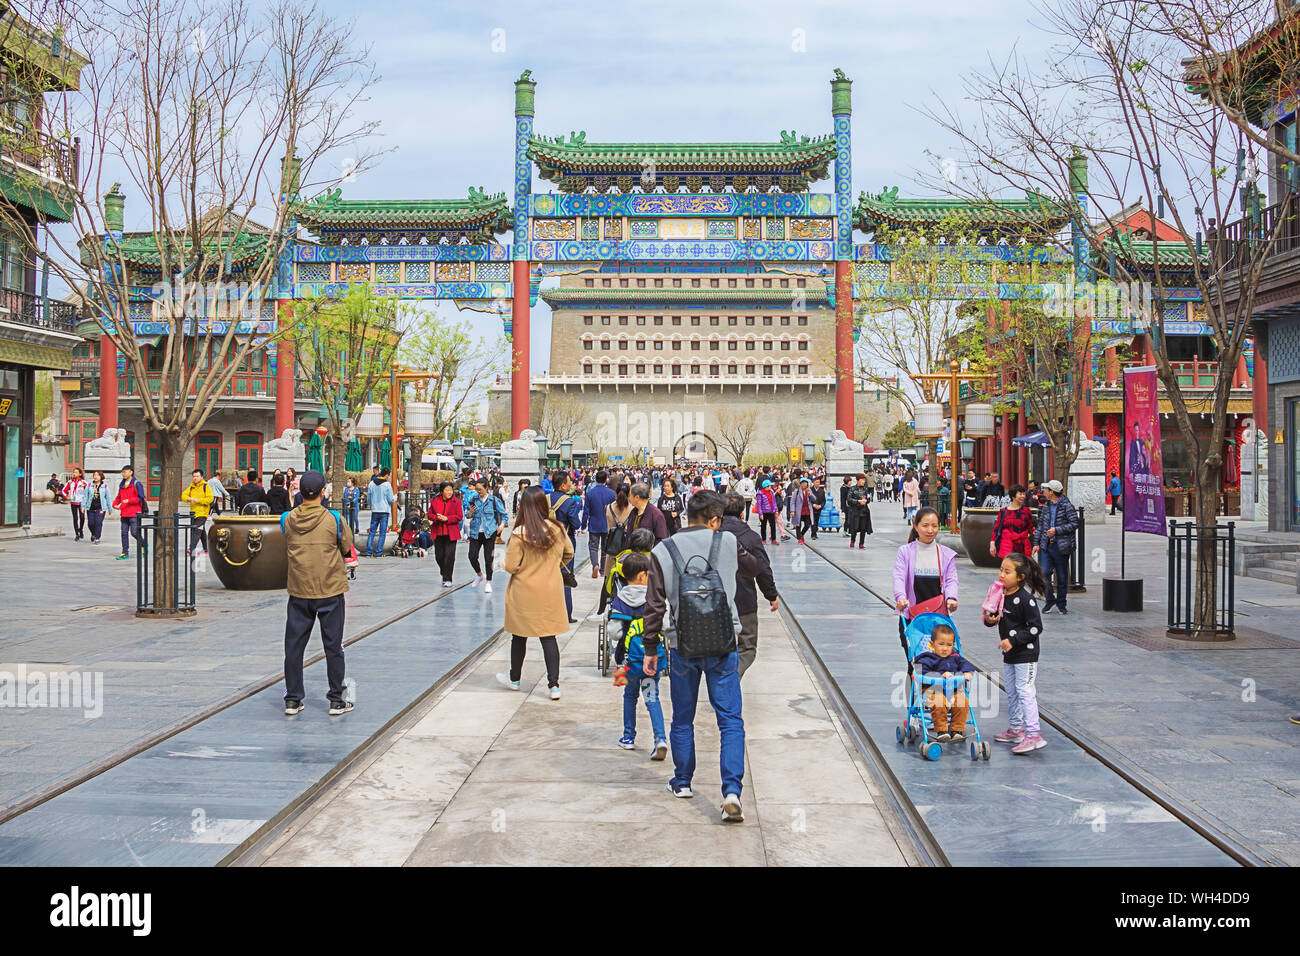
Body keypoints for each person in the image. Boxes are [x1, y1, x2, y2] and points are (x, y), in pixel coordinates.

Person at [644, 490, 754, 821]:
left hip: (682, 645)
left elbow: (654, 604)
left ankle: (682, 781)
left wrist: (651, 647)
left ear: (685, 516)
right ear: (715, 519)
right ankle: (731, 790)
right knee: (730, 719)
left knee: (682, 717)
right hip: (723, 643)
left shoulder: (663, 549)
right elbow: (753, 568)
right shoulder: (729, 543)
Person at [281, 470, 355, 717]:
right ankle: (336, 699)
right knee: (333, 646)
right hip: (330, 590)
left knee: (294, 647)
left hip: (299, 590)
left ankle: (292, 699)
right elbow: (347, 546)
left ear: (300, 492)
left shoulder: (287, 519)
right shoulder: (334, 519)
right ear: (323, 492)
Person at [497, 485, 573, 700]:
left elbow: (511, 566)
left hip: (524, 591)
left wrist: (506, 563)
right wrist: (553, 566)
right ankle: (554, 685)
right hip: (550, 589)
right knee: (548, 637)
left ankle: (514, 679)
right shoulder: (557, 529)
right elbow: (569, 553)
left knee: (519, 636)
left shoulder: (520, 533)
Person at [983, 552, 1048, 754]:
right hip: (1009, 654)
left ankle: (1033, 734)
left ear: (1020, 577)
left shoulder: (1026, 600)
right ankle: (1016, 728)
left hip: (1025, 654)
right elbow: (993, 617)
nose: (1002, 574)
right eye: (1001, 570)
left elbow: (1036, 628)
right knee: (1011, 691)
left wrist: (1013, 640)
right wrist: (990, 620)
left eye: (1007, 571)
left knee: (1025, 690)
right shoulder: (1001, 594)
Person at [610, 552, 668, 759]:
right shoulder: (654, 598)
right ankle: (660, 738)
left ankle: (628, 737)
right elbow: (667, 625)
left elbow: (614, 632)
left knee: (628, 696)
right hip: (651, 660)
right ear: (644, 576)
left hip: (625, 662)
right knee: (652, 698)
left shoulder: (620, 599)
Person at [722, 493, 779, 677]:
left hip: (715, 602)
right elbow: (762, 570)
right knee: (746, 647)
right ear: (741, 513)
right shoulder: (751, 537)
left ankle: (723, 682)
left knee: (718, 648)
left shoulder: (711, 535)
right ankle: (730, 681)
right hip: (744, 601)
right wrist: (771, 595)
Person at [892, 507, 960, 651]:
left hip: (938, 617)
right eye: (925, 525)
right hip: (911, 614)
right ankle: (912, 674)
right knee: (915, 657)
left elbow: (951, 580)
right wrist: (901, 597)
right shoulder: (905, 552)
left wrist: (952, 598)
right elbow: (899, 577)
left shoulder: (946, 554)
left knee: (939, 657)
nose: (930, 530)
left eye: (934, 526)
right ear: (915, 526)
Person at [914, 622, 976, 743]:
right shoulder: (926, 658)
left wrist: (967, 672)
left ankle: (957, 730)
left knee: (962, 701)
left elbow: (965, 664)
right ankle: (942, 730)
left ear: (953, 645)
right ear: (932, 644)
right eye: (941, 644)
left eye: (949, 645)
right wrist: (939, 675)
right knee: (938, 701)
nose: (945, 648)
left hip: (953, 689)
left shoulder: (955, 657)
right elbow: (921, 672)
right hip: (932, 689)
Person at [1032, 479, 1078, 616]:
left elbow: (1074, 523)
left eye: (1047, 490)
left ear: (1052, 492)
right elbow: (1040, 526)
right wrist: (1036, 543)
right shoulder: (1046, 506)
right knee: (1044, 573)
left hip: (1061, 546)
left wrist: (1057, 530)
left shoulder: (1066, 506)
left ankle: (1062, 604)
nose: (1045, 492)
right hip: (1047, 545)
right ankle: (1050, 599)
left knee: (1062, 577)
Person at [548, 469, 584, 623]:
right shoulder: (569, 502)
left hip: (547, 543)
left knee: (548, 576)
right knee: (565, 576)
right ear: (563, 485)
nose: (571, 483)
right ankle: (566, 614)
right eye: (569, 481)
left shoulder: (545, 499)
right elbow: (576, 524)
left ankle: (549, 613)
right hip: (565, 544)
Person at [465, 478, 507, 593]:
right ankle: (480, 575)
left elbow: (504, 515)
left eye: (480, 489)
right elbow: (467, 515)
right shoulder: (473, 499)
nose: (478, 492)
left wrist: (502, 525)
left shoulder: (494, 500)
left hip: (489, 533)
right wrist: (469, 513)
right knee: (472, 556)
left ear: (486, 488)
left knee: (489, 558)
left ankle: (488, 581)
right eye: (477, 489)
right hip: (475, 532)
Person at [428, 480, 464, 588]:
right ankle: (444, 571)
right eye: (447, 490)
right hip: (438, 531)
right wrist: (437, 518)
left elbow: (459, 516)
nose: (449, 492)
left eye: (451, 490)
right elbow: (430, 514)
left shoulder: (456, 502)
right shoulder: (434, 501)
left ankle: (447, 578)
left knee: (449, 556)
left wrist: (447, 518)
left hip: (451, 532)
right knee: (439, 556)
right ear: (442, 491)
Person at [583, 469, 616, 579]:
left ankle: (595, 564)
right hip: (607, 524)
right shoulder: (611, 494)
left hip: (594, 523)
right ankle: (602, 570)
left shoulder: (590, 493)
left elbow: (586, 511)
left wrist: (583, 525)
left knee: (593, 547)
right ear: (606, 480)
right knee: (605, 548)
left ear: (596, 480)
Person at [111, 465, 148, 561]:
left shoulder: (137, 484)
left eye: (125, 472)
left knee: (134, 532)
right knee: (124, 533)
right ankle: (125, 553)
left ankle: (144, 544)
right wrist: (114, 504)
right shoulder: (122, 484)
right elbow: (119, 497)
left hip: (134, 513)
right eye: (122, 472)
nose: (123, 474)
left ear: (131, 472)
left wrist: (129, 500)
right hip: (124, 513)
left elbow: (140, 498)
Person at [990, 484, 1036, 560]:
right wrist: (992, 543)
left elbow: (1030, 527)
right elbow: (997, 529)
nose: (1023, 496)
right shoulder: (1003, 511)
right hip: (1007, 545)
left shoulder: (1026, 511)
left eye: (1024, 494)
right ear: (1013, 496)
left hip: (1022, 546)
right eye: (1020, 494)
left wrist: (1038, 539)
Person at [364, 467, 395, 557]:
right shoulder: (387, 485)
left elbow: (368, 499)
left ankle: (368, 552)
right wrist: (395, 497)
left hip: (375, 510)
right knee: (382, 532)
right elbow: (391, 499)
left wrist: (372, 505)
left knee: (372, 531)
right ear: (387, 475)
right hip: (384, 510)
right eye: (389, 475)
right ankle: (378, 552)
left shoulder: (371, 483)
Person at [181, 468, 214, 552]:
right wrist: (188, 498)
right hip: (194, 513)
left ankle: (191, 548)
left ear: (201, 477)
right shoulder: (191, 487)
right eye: (194, 476)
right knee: (201, 531)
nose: (195, 478)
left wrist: (198, 500)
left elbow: (210, 499)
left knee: (197, 530)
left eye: (197, 476)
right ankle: (207, 548)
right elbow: (183, 496)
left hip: (202, 513)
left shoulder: (206, 487)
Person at [82, 470, 112, 545]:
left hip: (101, 508)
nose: (95, 476)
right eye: (94, 475)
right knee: (90, 523)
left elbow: (108, 498)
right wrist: (82, 506)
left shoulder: (104, 487)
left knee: (98, 523)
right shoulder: (89, 486)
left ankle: (97, 538)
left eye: (97, 475)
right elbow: (85, 497)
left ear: (101, 477)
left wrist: (109, 508)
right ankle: (93, 534)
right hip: (90, 508)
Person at [844, 472, 873, 548]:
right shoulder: (852, 489)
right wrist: (858, 501)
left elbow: (869, 498)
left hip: (864, 511)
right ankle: (852, 541)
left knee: (863, 528)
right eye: (862, 480)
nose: (863, 481)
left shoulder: (866, 489)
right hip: (855, 511)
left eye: (864, 480)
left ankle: (861, 543)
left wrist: (866, 501)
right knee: (854, 528)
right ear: (857, 480)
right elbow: (849, 499)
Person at [754, 478, 778, 544]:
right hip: (764, 512)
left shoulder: (771, 492)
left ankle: (774, 539)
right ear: (766, 486)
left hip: (771, 512)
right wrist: (760, 514)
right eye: (770, 485)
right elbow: (759, 504)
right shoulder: (760, 494)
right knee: (763, 526)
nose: (771, 486)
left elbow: (774, 502)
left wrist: (776, 510)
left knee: (773, 525)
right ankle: (763, 539)